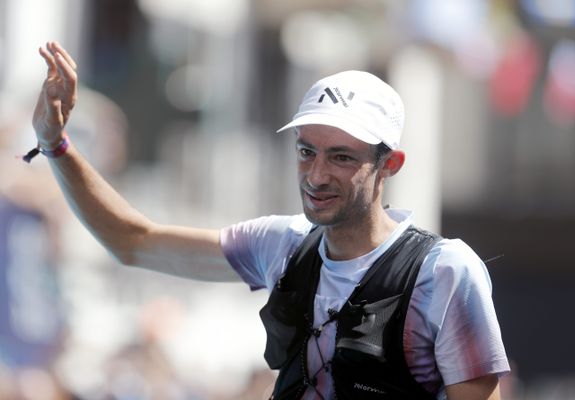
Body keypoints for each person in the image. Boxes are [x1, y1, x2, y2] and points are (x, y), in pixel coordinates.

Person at [30, 41, 510, 399]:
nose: (317, 175)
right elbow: (132, 241)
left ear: (390, 165)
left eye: (341, 157)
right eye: (306, 152)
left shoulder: (444, 271)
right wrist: (55, 145)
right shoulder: (282, 244)